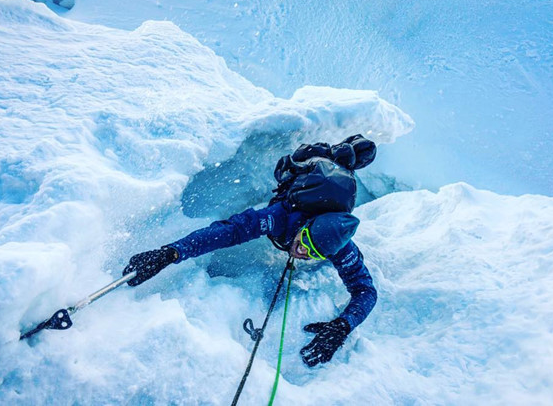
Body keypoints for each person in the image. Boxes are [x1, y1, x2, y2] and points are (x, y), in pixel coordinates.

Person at [122, 136, 378, 367]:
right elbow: (229, 231)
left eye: (313, 253)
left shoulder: (340, 245)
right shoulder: (279, 217)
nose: (301, 252)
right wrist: (171, 253)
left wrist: (343, 326)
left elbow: (366, 290)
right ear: (304, 226)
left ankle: (348, 156)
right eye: (304, 241)